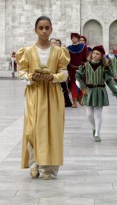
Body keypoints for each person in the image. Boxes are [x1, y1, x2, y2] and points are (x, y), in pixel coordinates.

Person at [15, 16, 70, 180]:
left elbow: (64, 73)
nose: (44, 31)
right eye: (41, 28)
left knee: (52, 130)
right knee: (32, 129)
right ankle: (34, 163)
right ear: (35, 30)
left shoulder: (60, 52)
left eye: (47, 28)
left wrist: (53, 77)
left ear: (51, 29)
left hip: (53, 94)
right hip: (34, 94)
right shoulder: (28, 51)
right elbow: (22, 72)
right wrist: (32, 76)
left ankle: (48, 168)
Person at [75, 45, 117, 142]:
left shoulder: (104, 68)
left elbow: (109, 81)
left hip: (100, 91)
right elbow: (78, 77)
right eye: (94, 53)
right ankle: (93, 128)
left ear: (101, 56)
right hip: (88, 91)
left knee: (98, 113)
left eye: (98, 54)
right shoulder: (85, 65)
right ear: (91, 54)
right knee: (89, 114)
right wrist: (83, 88)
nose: (95, 55)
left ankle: (97, 133)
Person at [67, 32, 89, 108]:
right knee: (73, 84)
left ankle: (80, 97)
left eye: (75, 38)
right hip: (72, 69)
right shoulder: (68, 48)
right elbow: (67, 59)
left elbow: (86, 57)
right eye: (72, 38)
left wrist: (85, 66)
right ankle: (74, 101)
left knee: (81, 84)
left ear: (78, 39)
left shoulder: (83, 47)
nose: (74, 39)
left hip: (81, 68)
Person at [54, 39, 72, 107]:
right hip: (53, 71)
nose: (57, 44)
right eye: (55, 43)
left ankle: (65, 101)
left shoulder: (62, 50)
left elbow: (66, 60)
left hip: (61, 70)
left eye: (58, 43)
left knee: (63, 86)